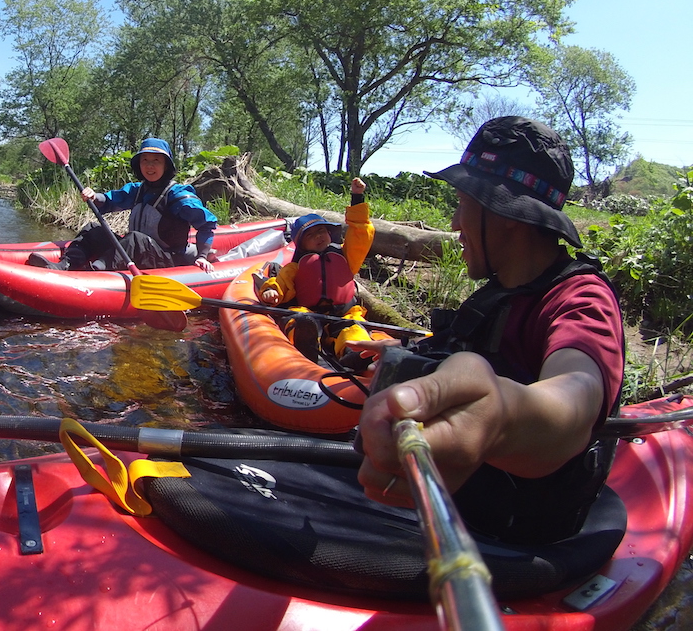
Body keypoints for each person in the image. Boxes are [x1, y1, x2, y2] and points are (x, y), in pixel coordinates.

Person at [353, 116, 625, 545]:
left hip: (502, 541)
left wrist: (498, 415)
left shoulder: (581, 300)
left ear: (507, 214)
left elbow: (577, 395)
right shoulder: (501, 292)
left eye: (464, 204)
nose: (457, 223)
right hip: (454, 507)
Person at [28, 137, 218, 272]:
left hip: (168, 258)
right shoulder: (138, 190)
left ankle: (93, 273)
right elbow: (110, 200)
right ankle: (66, 265)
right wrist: (94, 197)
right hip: (141, 252)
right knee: (94, 228)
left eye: (156, 161)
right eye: (145, 161)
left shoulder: (178, 195)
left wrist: (202, 256)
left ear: (166, 165)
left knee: (134, 238)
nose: (150, 166)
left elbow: (207, 223)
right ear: (139, 165)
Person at [256, 178, 380, 365]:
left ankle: (353, 355)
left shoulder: (346, 256)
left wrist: (357, 199)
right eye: (311, 235)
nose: (319, 237)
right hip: (309, 313)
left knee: (353, 328)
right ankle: (307, 345)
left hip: (342, 314)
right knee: (298, 319)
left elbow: (361, 234)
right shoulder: (295, 267)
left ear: (330, 233)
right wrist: (270, 291)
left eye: (321, 231)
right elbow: (280, 282)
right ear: (302, 244)